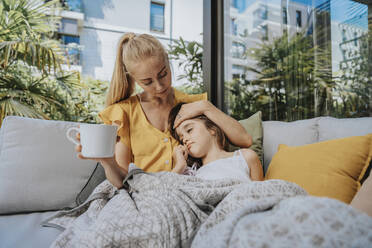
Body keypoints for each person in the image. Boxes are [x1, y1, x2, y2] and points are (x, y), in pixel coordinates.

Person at [75, 33, 253, 189]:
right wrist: (106, 161)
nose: (160, 86)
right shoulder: (124, 113)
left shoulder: (193, 105)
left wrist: (205, 106)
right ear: (134, 79)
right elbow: (121, 182)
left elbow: (245, 140)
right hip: (145, 197)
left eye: (163, 74)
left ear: (168, 61)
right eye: (147, 82)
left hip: (189, 194)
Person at [168, 102, 264, 182]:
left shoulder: (245, 157)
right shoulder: (190, 174)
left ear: (212, 129)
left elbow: (262, 195)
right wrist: (179, 166)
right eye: (181, 139)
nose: (184, 139)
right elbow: (161, 194)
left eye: (189, 130)